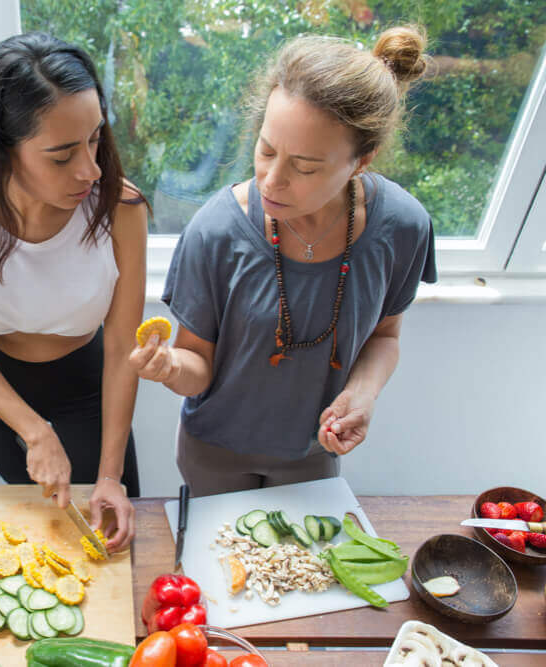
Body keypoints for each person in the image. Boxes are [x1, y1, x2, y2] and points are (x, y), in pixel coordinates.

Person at [130, 26, 437, 496]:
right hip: (213, 449)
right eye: (266, 150)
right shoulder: (214, 232)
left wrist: (362, 394)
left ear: (361, 160)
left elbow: (385, 337)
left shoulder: (403, 227)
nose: (272, 180)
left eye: (305, 167)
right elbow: (197, 364)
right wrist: (169, 366)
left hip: (314, 452)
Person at [0, 33, 148, 551]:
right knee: (42, 543)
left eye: (95, 139)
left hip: (91, 387)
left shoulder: (120, 207)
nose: (90, 170)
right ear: (2, 148)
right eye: (62, 155)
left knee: (112, 540)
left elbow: (120, 349)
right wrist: (34, 431)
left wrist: (111, 476)